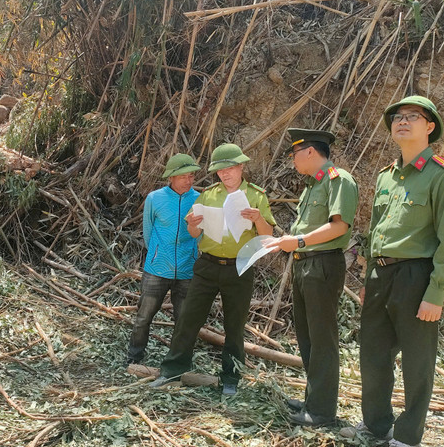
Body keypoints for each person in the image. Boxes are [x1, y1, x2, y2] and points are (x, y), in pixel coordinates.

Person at [340, 96, 444, 447]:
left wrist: (437, 292)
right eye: (397, 117)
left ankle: (408, 436)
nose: (403, 122)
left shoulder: (443, 174)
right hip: (381, 273)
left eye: (413, 116)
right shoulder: (386, 176)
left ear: (430, 127)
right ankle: (376, 423)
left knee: (416, 359)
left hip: (416, 274)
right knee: (373, 352)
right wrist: (368, 278)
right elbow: (376, 231)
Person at [150, 143, 276, 395]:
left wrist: (257, 219)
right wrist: (192, 224)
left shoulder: (256, 196)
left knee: (235, 326)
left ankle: (230, 378)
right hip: (207, 265)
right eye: (220, 170)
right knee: (188, 319)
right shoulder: (208, 195)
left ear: (241, 167)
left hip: (239, 267)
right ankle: (172, 371)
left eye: (230, 169)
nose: (225, 174)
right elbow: (194, 232)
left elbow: (268, 235)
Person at [265, 129, 358, 426]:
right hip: (304, 264)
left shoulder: (338, 180)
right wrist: (288, 242)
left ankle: (322, 411)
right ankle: (313, 399)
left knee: (322, 338)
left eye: (295, 153)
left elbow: (339, 226)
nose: (292, 159)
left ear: (309, 152)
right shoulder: (312, 186)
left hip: (322, 264)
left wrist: (299, 241)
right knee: (307, 336)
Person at [127, 154, 201, 365]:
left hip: (187, 269)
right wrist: (158, 253)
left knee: (184, 320)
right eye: (183, 176)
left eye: (191, 176)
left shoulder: (199, 200)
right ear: (171, 177)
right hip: (157, 268)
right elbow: (148, 231)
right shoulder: (155, 198)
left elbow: (200, 234)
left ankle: (178, 361)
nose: (188, 181)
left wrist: (193, 254)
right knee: (144, 316)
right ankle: (134, 357)